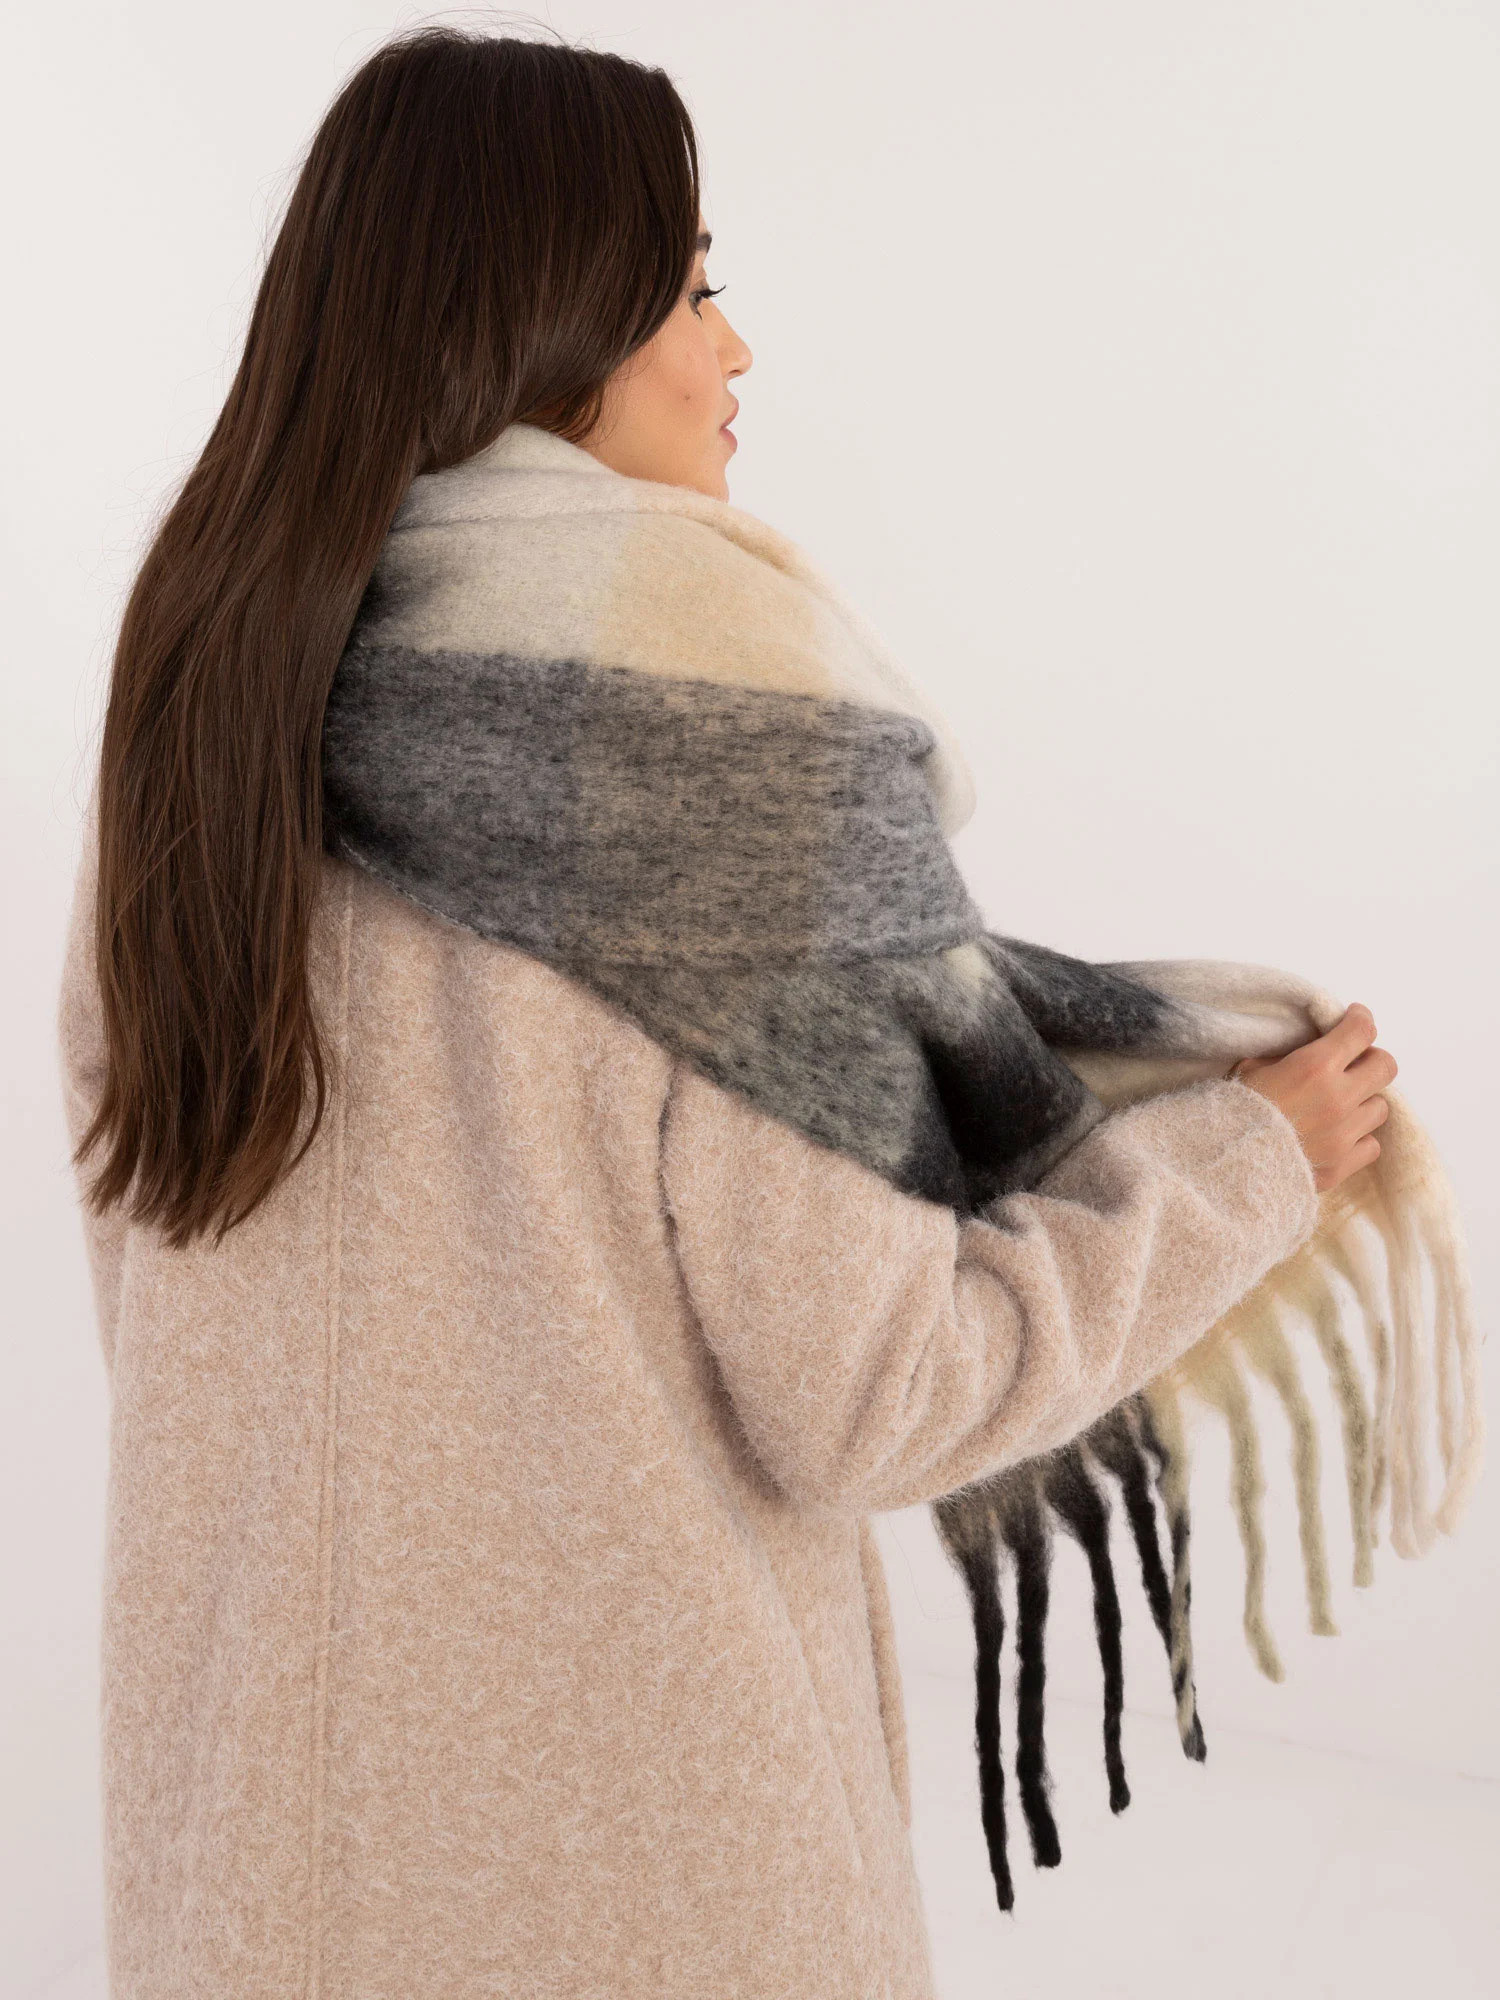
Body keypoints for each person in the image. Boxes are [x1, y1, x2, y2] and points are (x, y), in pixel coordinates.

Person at [56, 27, 1396, 2000]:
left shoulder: (204, 693)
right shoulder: (731, 743)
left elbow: (158, 1284)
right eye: (693, 289)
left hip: (246, 1877)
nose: (735, 350)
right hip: (643, 1893)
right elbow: (879, 1390)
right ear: (553, 325)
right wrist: (1240, 1168)